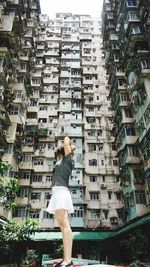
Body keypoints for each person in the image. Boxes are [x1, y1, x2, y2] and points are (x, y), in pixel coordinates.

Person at [47, 136, 76, 267]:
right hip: (57, 193)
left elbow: (66, 139)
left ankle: (68, 260)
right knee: (62, 225)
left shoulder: (68, 159)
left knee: (65, 224)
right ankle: (66, 259)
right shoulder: (62, 160)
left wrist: (69, 144)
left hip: (61, 192)